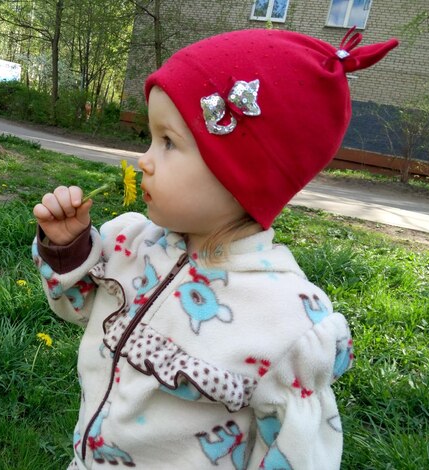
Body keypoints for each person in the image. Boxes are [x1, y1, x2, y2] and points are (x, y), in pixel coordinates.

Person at [32, 28, 398, 469]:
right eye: (151, 138)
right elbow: (76, 308)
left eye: (168, 142)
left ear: (243, 174)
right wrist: (69, 248)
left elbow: (297, 453)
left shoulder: (284, 321)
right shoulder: (131, 242)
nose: (144, 159)